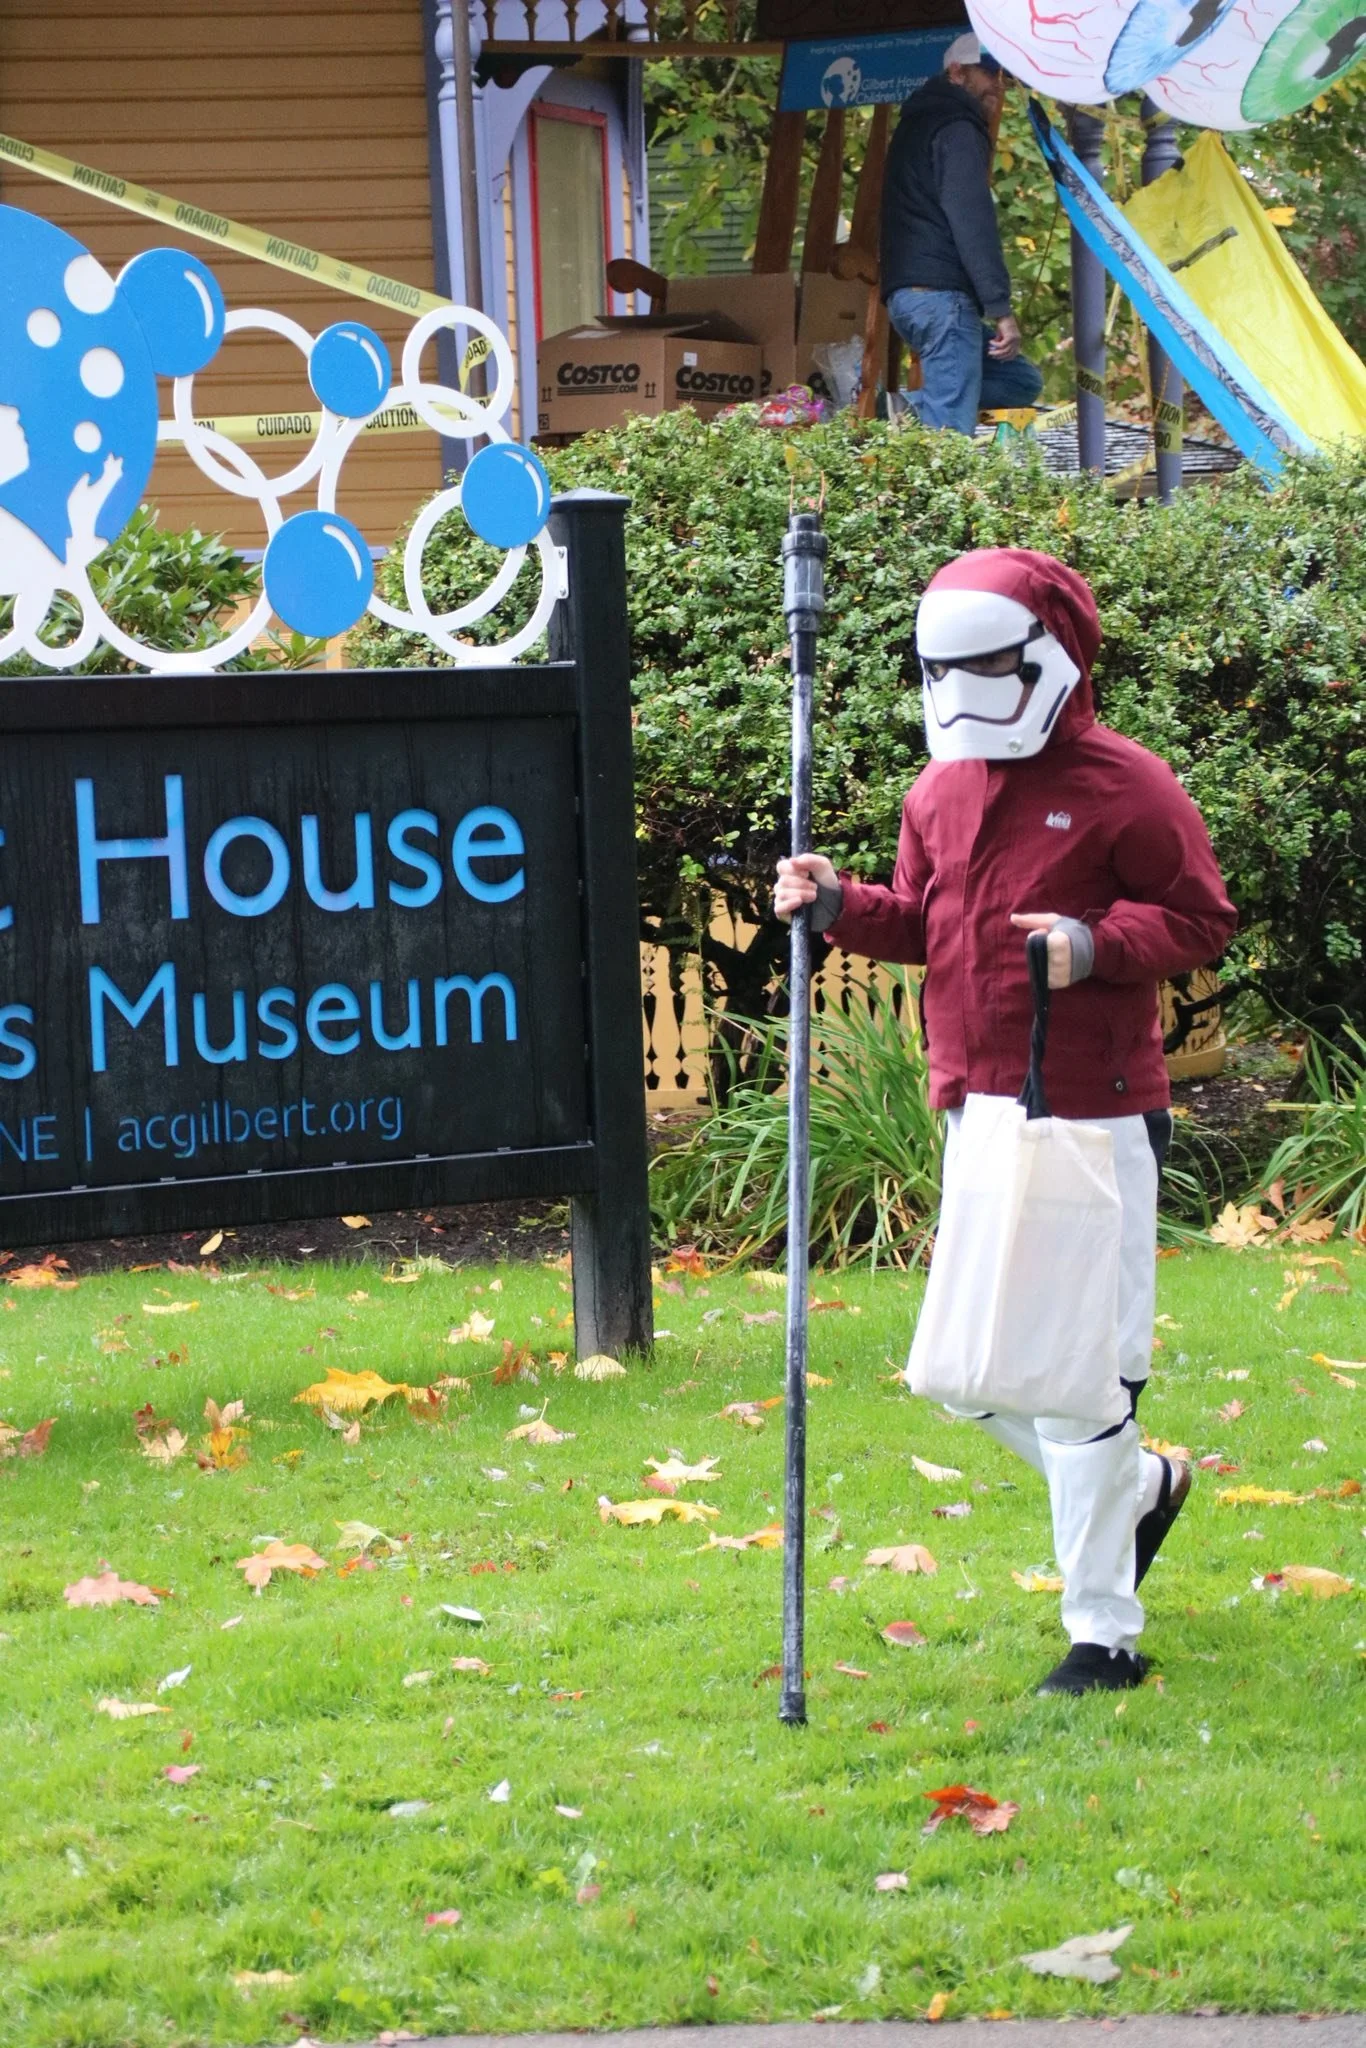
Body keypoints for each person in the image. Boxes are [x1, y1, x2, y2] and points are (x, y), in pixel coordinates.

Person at [774, 548, 1236, 1696]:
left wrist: (1096, 945)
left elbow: (1198, 916)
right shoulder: (938, 791)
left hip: (1097, 1113)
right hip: (976, 1105)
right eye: (948, 668)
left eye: (989, 664)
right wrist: (835, 905)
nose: (966, 690)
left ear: (1047, 656)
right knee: (964, 1371)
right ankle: (1132, 1490)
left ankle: (1102, 1633)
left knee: (1085, 1381)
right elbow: (929, 921)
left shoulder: (1130, 785)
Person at [881, 34, 1044, 434]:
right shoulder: (957, 128)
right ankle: (906, 415)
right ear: (957, 72)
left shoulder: (915, 125)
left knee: (1022, 380)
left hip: (909, 298)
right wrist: (1000, 308)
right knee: (950, 442)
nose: (997, 83)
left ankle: (897, 409)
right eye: (987, 71)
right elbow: (972, 222)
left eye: (1001, 74)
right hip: (942, 300)